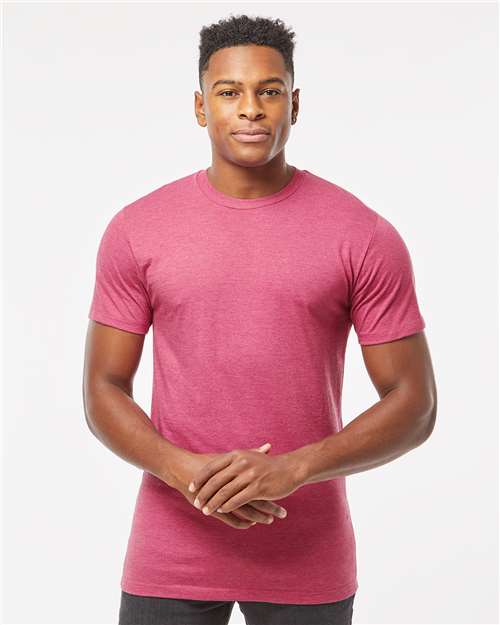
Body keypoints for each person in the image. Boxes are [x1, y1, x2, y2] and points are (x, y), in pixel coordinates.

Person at [83, 13, 437, 625]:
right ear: (201, 107)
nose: (250, 108)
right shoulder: (137, 230)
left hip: (309, 557)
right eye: (229, 92)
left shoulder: (362, 234)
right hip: (171, 553)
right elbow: (102, 388)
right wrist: (186, 473)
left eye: (269, 91)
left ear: (294, 104)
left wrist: (292, 469)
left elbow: (415, 404)